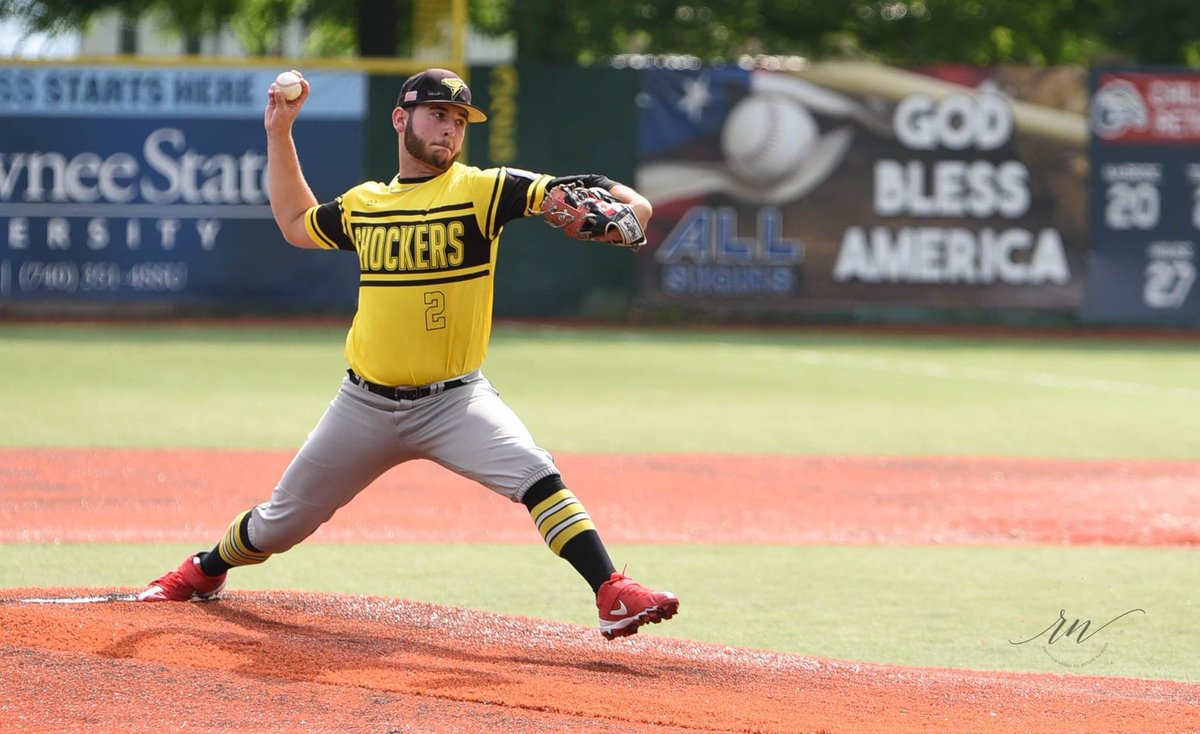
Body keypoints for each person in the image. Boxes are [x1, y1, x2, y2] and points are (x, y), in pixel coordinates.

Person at [137, 68, 679, 640]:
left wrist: (634, 206)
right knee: (279, 524)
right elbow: (296, 224)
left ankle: (610, 591)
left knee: (537, 475)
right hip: (364, 404)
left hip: (456, 400)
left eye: (458, 121)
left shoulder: (483, 190)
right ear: (402, 120)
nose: (449, 130)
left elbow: (581, 188)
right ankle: (202, 570)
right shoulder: (366, 204)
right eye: (438, 115)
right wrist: (280, 133)